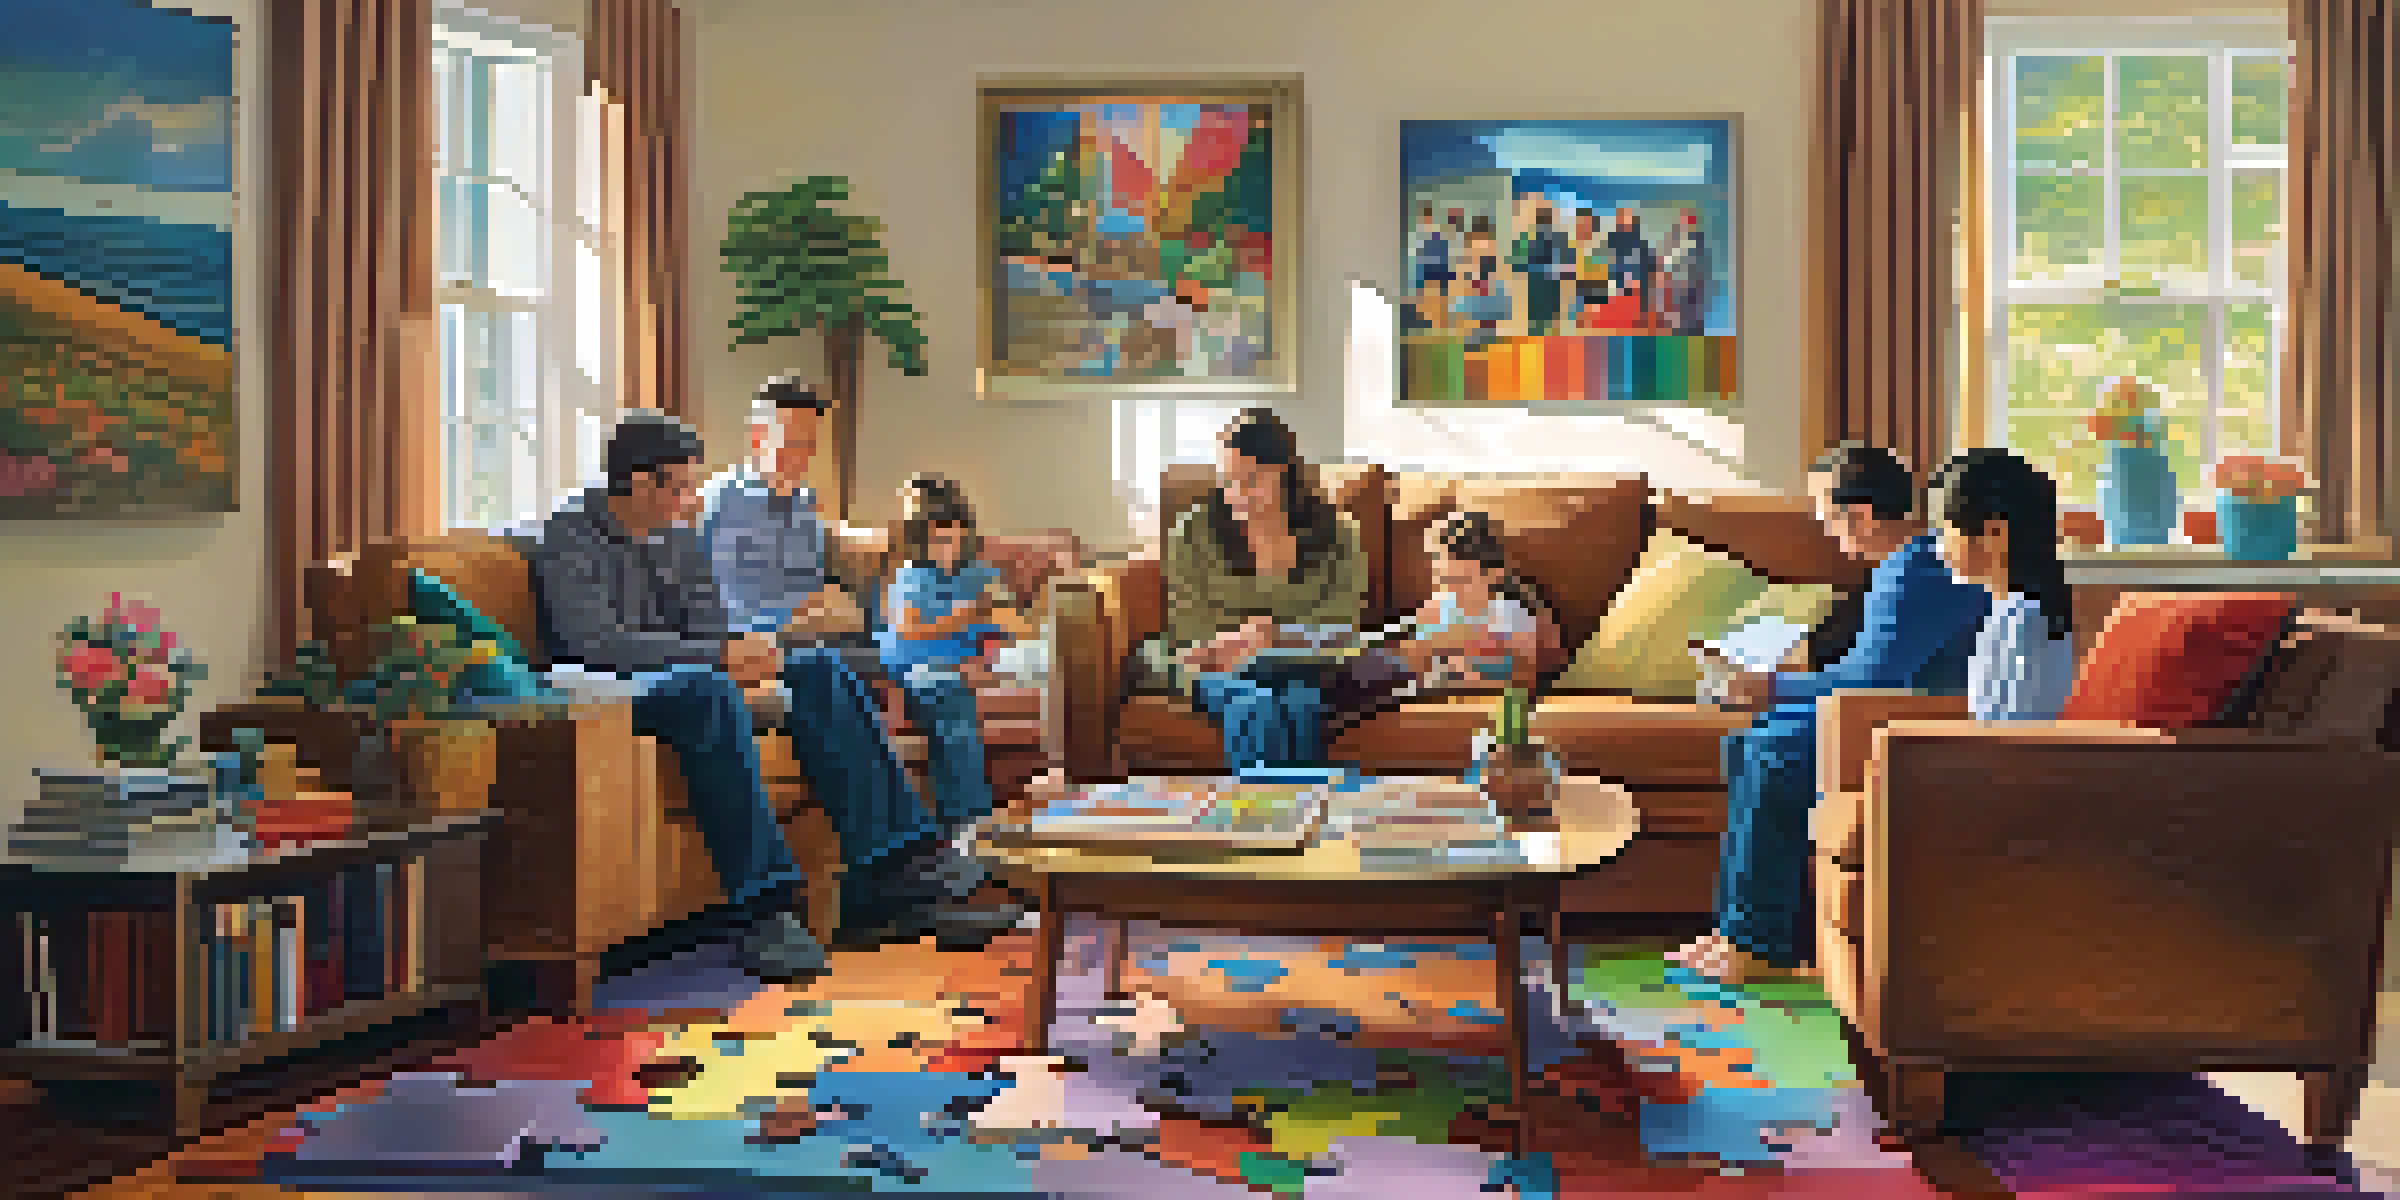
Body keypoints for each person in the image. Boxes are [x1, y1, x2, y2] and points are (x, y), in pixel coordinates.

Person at [686, 382, 1024, 950]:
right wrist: (797, 622)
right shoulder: (724, 503)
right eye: (789, 445)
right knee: (839, 668)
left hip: (806, 642)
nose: (801, 458)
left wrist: (839, 607)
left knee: (884, 666)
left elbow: (824, 588)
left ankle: (913, 874)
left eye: (809, 446)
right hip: (750, 649)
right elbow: (726, 607)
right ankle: (907, 878)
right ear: (755, 438)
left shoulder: (804, 508)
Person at [1671, 442, 1989, 985]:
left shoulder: (1916, 572)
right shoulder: (1910, 565)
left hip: (1916, 721)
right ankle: (1746, 932)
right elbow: (1867, 672)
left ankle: (1761, 947)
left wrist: (1769, 686)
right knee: (1750, 742)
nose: (1825, 530)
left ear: (1860, 516)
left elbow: (1868, 682)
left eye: (1826, 515)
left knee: (1770, 749)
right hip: (1891, 709)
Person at [529, 411, 828, 982]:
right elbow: (596, 643)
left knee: (818, 666)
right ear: (642, 484)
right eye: (683, 486)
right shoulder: (569, 534)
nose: (693, 499)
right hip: (609, 687)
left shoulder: (678, 536)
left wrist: (750, 648)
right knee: (704, 683)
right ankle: (765, 906)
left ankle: (896, 861)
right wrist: (717, 656)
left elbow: (710, 622)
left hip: (684, 673)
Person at [1139, 408, 1368, 770]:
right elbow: (1190, 629)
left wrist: (1272, 638)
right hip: (1219, 670)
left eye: (1250, 480)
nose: (1237, 494)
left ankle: (1302, 816)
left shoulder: (1339, 536)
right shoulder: (1194, 532)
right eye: (1228, 481)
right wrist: (1247, 646)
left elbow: (1340, 631)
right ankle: (1262, 820)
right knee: (1252, 703)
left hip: (1303, 670)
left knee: (1301, 704)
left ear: (1285, 473)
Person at [877, 474, 1037, 831]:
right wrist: (962, 617)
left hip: (966, 664)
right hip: (918, 665)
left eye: (952, 529)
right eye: (932, 530)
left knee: (1040, 661)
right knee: (950, 697)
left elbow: (1012, 626)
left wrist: (987, 657)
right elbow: (908, 630)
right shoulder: (911, 576)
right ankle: (970, 823)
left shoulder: (982, 575)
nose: (944, 540)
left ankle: (1043, 813)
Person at [1927, 448, 2080, 722]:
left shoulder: (2020, 624)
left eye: (1943, 531)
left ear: (1995, 534)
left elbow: (2011, 740)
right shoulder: (2022, 613)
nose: (1938, 548)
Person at [1397, 511, 1544, 692]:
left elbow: (1524, 676)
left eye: (1464, 580)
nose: (1453, 590)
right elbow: (1409, 664)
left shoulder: (1511, 615)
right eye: (1444, 580)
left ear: (1495, 575)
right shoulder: (1437, 609)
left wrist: (1469, 664)